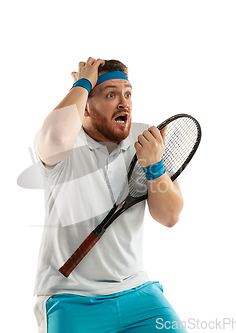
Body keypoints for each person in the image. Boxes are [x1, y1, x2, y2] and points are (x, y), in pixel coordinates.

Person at [32, 57, 187, 332]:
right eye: (111, 94)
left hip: (138, 294)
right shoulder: (67, 143)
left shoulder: (146, 140)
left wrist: (155, 166)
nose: (123, 102)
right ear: (86, 109)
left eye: (127, 93)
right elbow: (55, 137)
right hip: (71, 297)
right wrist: (83, 83)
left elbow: (170, 216)